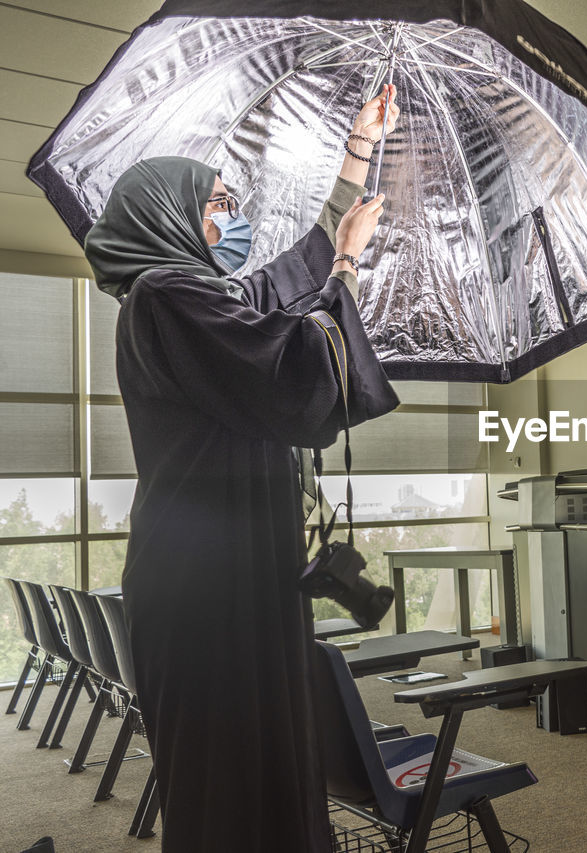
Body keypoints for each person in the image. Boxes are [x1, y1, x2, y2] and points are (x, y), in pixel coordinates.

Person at [83, 86, 402, 852]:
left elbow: (285, 279)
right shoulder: (167, 294)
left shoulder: (194, 298)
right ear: (169, 214)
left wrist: (357, 152)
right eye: (218, 204)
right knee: (233, 783)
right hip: (207, 591)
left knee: (266, 768)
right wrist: (351, 262)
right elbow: (294, 370)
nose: (235, 219)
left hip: (230, 578)